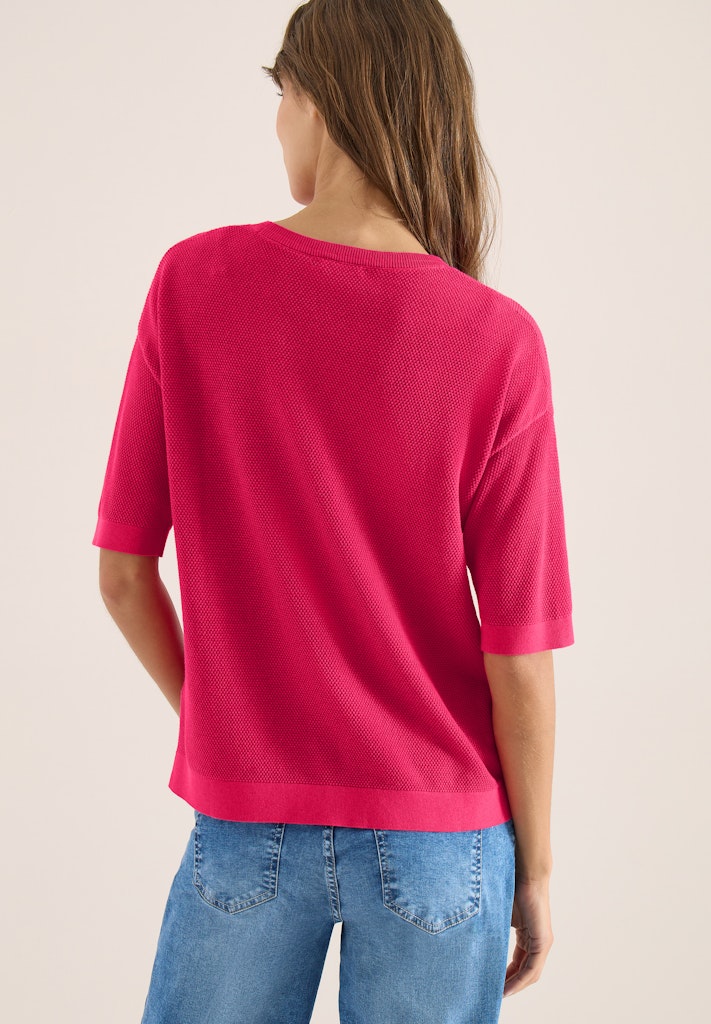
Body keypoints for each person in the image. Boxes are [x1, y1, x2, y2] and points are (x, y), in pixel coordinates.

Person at [92, 2, 574, 1022]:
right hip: (442, 833)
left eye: (280, 99)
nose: (278, 127)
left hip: (245, 820)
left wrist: (228, 726)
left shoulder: (192, 283)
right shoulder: (497, 340)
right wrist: (533, 869)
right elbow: (519, 655)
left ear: (313, 99)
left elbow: (125, 575)